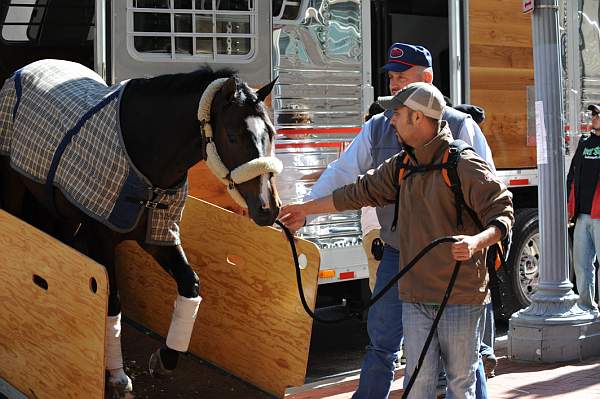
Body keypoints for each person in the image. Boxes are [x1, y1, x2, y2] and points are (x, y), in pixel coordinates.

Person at [279, 82, 514, 398]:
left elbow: (502, 212)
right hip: (416, 294)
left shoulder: (463, 163)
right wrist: (304, 211)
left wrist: (476, 242)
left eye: (398, 114)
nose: (391, 121)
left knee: (461, 382)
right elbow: (355, 192)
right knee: (418, 381)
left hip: (459, 295)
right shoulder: (402, 166)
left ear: (418, 118)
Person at [454, 104, 497, 378]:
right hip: (476, 235)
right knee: (482, 292)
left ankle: (483, 351)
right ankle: (485, 351)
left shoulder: (463, 156)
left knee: (477, 295)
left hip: (472, 238)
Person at [567, 104, 600, 317]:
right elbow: (572, 173)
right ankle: (587, 307)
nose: (593, 117)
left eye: (597, 114)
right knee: (582, 264)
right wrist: (567, 205)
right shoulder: (585, 141)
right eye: (593, 114)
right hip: (582, 214)